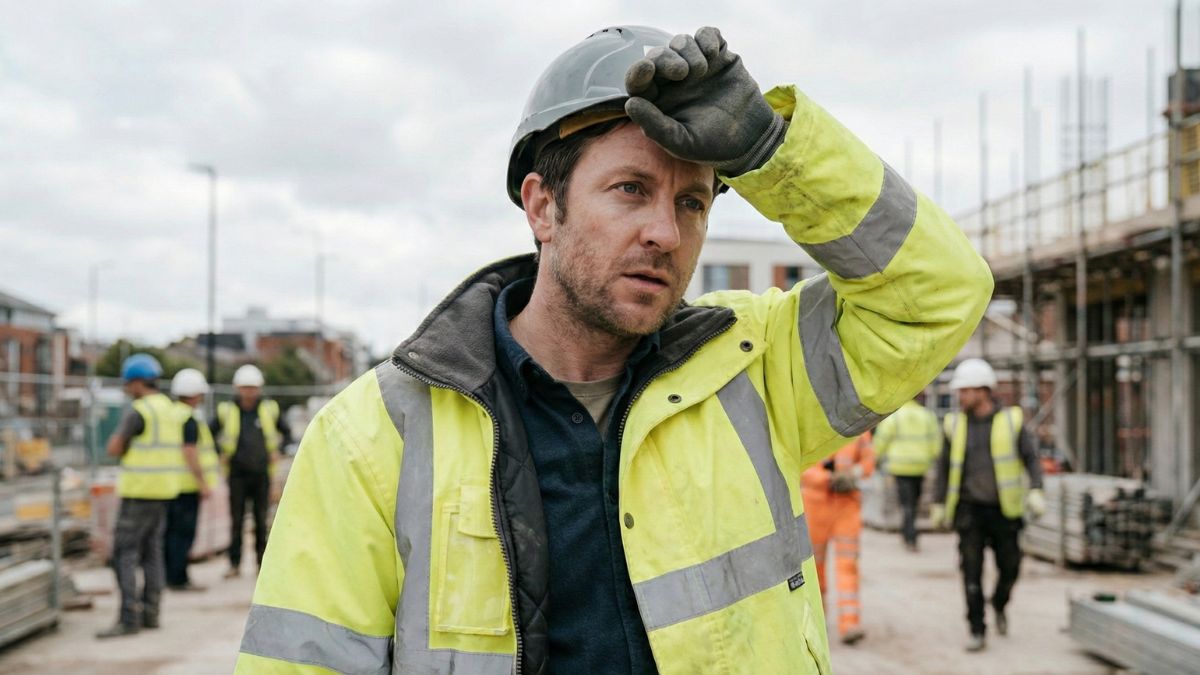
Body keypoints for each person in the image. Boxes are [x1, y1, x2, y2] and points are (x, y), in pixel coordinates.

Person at [237, 25, 992, 673]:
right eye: (631, 189)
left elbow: (939, 293)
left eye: (690, 201)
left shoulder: (753, 367)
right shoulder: (376, 435)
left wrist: (771, 151)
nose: (665, 231)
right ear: (542, 206)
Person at [931, 358, 1046, 653]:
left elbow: (1031, 458)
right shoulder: (954, 424)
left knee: (1010, 567)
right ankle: (977, 628)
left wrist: (1036, 489)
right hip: (969, 511)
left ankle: (999, 603)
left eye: (965, 391)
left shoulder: (1011, 421)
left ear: (983, 391)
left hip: (1004, 511)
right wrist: (938, 502)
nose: (961, 397)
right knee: (970, 572)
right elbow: (944, 467)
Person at [96, 354, 181, 638]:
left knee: (125, 554)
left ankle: (128, 618)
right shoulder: (169, 408)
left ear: (135, 381)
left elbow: (115, 447)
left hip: (139, 493)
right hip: (163, 491)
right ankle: (151, 613)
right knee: (153, 553)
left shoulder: (139, 410)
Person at [800, 431, 874, 645]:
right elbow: (798, 464)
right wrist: (828, 479)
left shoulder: (860, 426)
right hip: (816, 503)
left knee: (848, 565)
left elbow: (869, 461)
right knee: (815, 568)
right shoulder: (810, 421)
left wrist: (852, 475)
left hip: (846, 504)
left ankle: (849, 623)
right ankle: (817, 622)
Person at [213, 363, 286, 578]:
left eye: (252, 387)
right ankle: (234, 564)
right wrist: (219, 452)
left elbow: (287, 433)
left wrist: (279, 450)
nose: (249, 392)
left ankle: (261, 564)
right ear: (237, 388)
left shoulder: (269, 409)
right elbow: (207, 434)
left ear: (259, 388)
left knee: (261, 520)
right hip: (236, 474)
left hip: (262, 473)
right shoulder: (226, 411)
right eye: (245, 387)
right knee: (236, 520)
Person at [164, 368, 218, 591]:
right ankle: (178, 579)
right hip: (186, 486)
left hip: (167, 485)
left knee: (169, 533)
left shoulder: (169, 414)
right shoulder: (189, 419)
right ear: (195, 394)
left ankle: (169, 576)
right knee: (183, 534)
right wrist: (202, 483)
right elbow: (190, 452)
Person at [874, 394, 941, 551]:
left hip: (900, 466)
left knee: (906, 503)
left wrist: (875, 458)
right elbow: (935, 442)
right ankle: (909, 532)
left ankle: (909, 534)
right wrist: (931, 459)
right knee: (914, 501)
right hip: (920, 466)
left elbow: (881, 440)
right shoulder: (927, 416)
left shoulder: (895, 417)